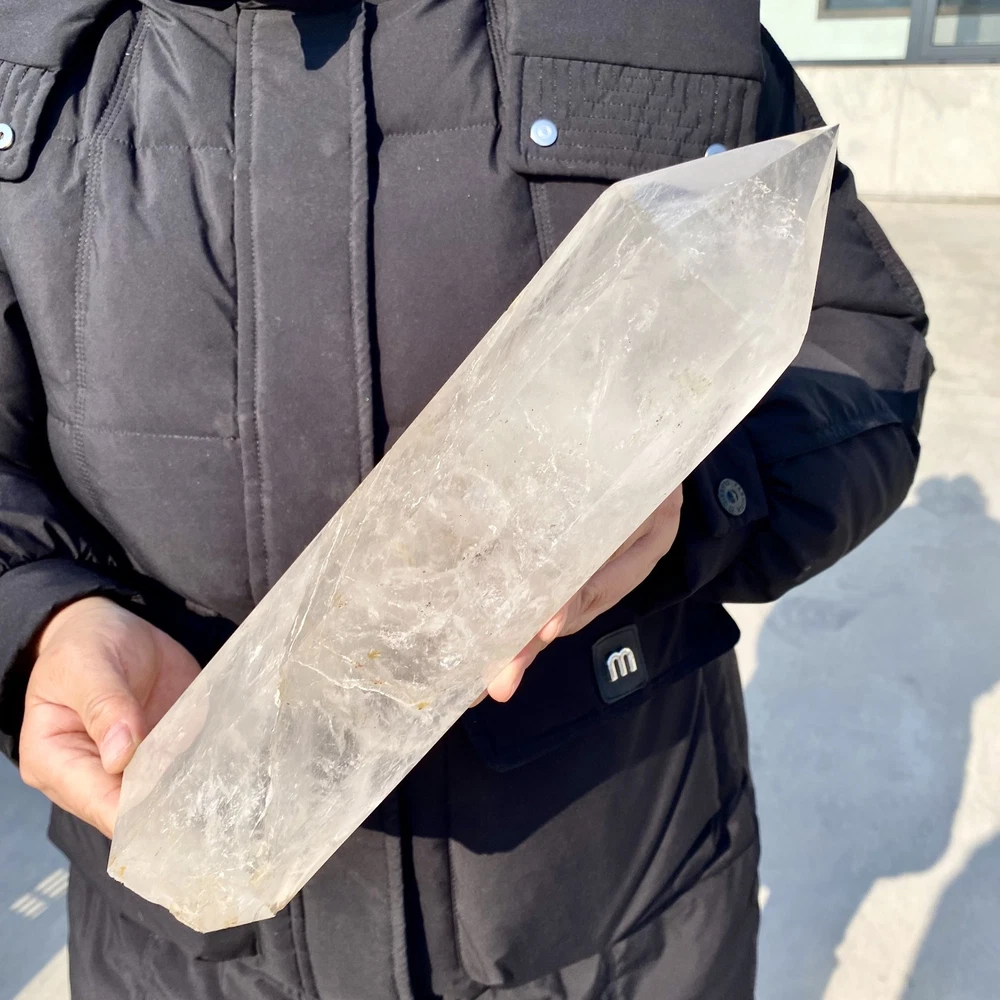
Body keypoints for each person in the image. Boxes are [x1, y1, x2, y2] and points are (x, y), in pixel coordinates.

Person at [0, 1, 932, 997]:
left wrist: (703, 491)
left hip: (615, 916)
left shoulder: (666, 16)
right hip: (182, 947)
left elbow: (860, 344)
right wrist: (35, 615)